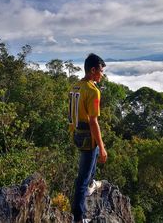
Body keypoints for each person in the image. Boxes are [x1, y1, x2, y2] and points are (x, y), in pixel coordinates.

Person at [68, 53, 107, 223]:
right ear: (93, 70)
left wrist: (73, 133)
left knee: (87, 172)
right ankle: (78, 217)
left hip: (77, 134)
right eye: (101, 71)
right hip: (87, 138)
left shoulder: (75, 86)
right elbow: (93, 122)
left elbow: (71, 114)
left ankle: (92, 183)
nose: (102, 74)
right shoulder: (93, 91)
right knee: (82, 179)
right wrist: (102, 146)